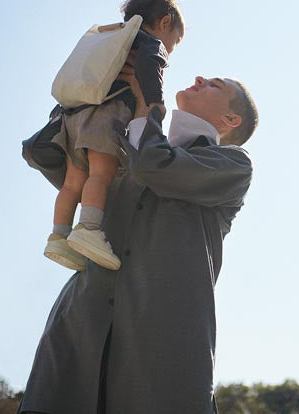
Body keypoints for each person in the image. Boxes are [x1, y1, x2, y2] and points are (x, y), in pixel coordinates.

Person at [19, 70, 259, 414]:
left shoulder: (232, 164)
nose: (201, 77)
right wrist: (89, 99)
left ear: (230, 120)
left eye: (216, 85)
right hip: (81, 323)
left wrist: (147, 105)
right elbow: (44, 156)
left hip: (160, 340)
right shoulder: (129, 141)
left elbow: (154, 166)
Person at [45, 0, 185, 272]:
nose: (170, 49)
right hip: (106, 113)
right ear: (165, 23)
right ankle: (89, 228)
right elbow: (149, 66)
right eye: (175, 42)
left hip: (72, 117)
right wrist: (156, 103)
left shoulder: (110, 36)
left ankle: (58, 236)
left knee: (74, 182)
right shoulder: (149, 42)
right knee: (101, 173)